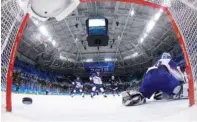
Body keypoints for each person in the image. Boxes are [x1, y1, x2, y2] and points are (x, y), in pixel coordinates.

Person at [122, 52, 191, 106]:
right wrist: (182, 81)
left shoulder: (157, 62)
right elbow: (176, 73)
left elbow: (149, 74)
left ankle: (133, 96)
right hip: (162, 75)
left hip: (148, 76)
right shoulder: (169, 61)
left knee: (143, 94)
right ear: (169, 57)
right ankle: (166, 92)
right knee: (177, 89)